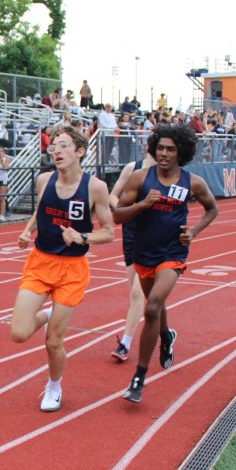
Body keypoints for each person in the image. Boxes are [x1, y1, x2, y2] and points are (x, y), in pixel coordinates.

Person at [113, 124, 219, 403]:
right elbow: (117, 216)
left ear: (180, 153)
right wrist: (142, 205)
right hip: (144, 253)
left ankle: (139, 377)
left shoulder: (192, 182)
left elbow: (212, 209)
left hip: (173, 253)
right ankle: (166, 335)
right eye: (160, 148)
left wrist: (193, 232)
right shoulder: (140, 178)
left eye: (170, 149)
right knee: (155, 307)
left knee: (152, 307)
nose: (163, 154)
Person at [12, 126, 114, 412]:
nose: (56, 151)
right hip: (40, 262)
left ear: (80, 151)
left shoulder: (95, 187)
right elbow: (40, 210)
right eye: (54, 146)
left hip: (72, 269)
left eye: (64, 145)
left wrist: (83, 237)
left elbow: (108, 232)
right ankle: (48, 314)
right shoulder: (44, 180)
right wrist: (27, 230)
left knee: (53, 342)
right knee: (18, 333)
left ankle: (54, 387)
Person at [108, 146, 157, 362]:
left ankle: (125, 344)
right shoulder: (132, 168)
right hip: (131, 232)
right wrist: (129, 208)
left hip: (154, 235)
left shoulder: (167, 173)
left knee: (138, 293)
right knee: (140, 293)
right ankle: (165, 331)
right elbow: (113, 196)